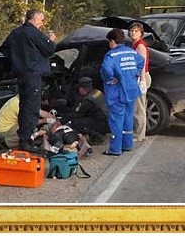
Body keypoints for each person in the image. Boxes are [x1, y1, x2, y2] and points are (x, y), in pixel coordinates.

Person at [0, 9, 57, 152]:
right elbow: (49, 50)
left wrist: (17, 60)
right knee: (31, 108)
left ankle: (24, 140)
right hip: (32, 75)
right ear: (34, 18)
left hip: (20, 75)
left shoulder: (15, 33)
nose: (42, 24)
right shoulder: (34, 33)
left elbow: (3, 49)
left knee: (24, 107)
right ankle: (26, 142)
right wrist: (52, 41)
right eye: (41, 20)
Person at [100, 28, 144, 156]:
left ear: (113, 41)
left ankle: (115, 149)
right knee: (128, 118)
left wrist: (110, 79)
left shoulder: (111, 55)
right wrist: (135, 74)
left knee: (116, 121)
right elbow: (141, 62)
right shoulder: (132, 52)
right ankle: (127, 144)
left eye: (109, 42)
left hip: (117, 92)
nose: (109, 45)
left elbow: (106, 69)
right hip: (131, 90)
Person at [57, 76, 110, 144]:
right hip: (109, 120)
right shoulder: (97, 92)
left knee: (76, 122)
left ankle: (98, 136)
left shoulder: (88, 100)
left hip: (104, 124)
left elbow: (77, 114)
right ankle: (100, 133)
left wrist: (61, 120)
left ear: (82, 89)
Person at [128, 22, 151, 142]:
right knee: (138, 106)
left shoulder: (140, 46)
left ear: (141, 33)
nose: (133, 33)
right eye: (131, 31)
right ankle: (138, 132)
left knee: (139, 108)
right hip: (137, 77)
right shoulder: (134, 44)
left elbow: (142, 64)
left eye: (136, 31)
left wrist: (141, 81)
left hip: (141, 77)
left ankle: (139, 135)